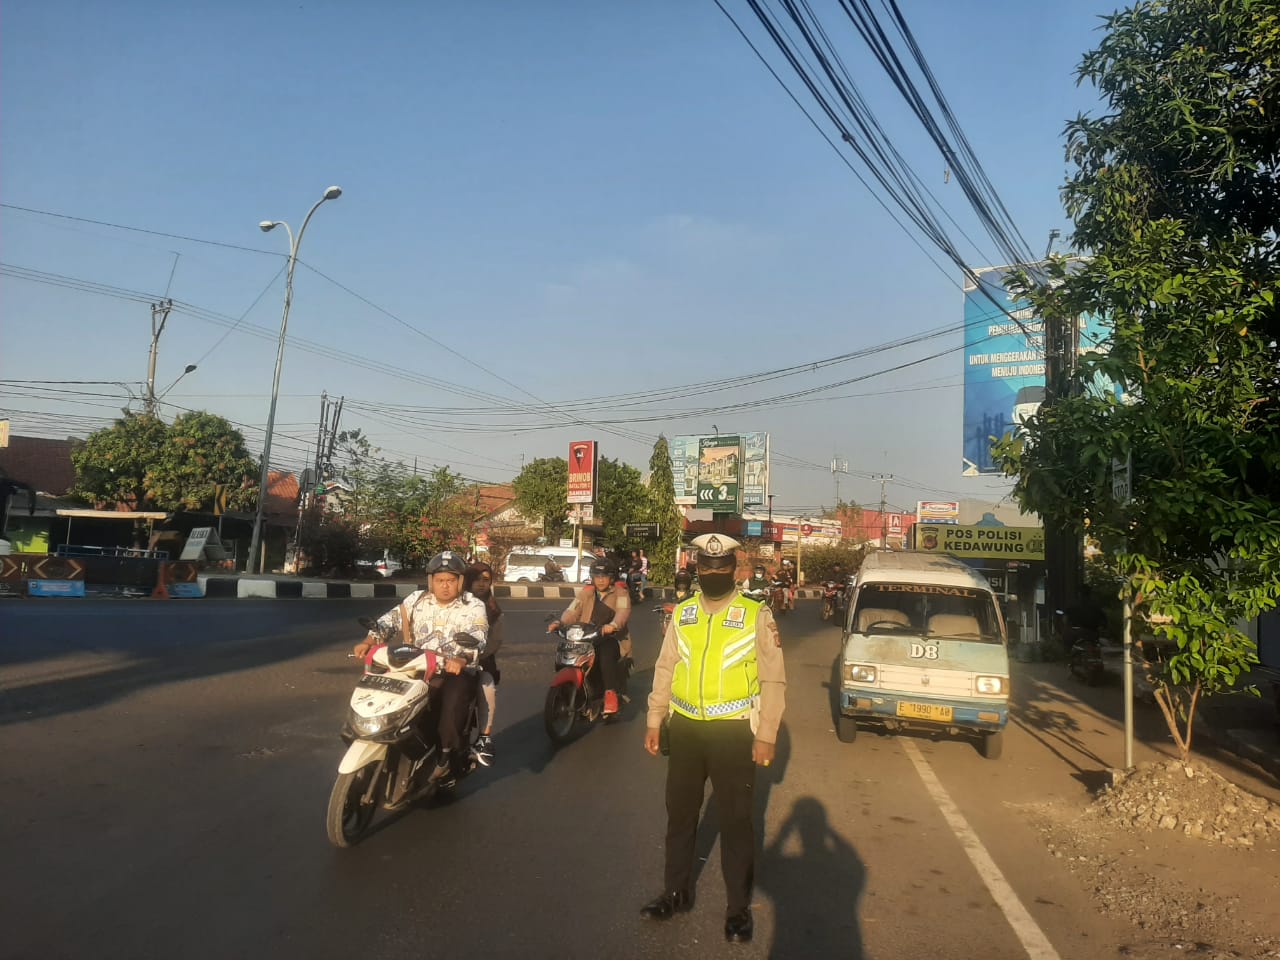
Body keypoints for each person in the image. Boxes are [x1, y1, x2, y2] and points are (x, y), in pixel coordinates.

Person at [641, 534, 786, 945]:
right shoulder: (683, 613)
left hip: (734, 731)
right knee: (680, 816)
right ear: (697, 570)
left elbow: (773, 678)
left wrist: (767, 734)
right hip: (686, 728)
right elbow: (666, 667)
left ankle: (738, 910)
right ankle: (675, 893)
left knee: (736, 822)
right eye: (706, 567)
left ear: (734, 570)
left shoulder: (756, 614)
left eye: (721, 568)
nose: (713, 574)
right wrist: (655, 719)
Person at [352, 550, 489, 781]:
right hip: (414, 665)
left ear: (460, 582)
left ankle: (445, 756)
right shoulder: (416, 600)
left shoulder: (473, 605)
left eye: (450, 580)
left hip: (453, 669)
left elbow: (479, 634)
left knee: (453, 702)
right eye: (440, 580)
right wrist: (368, 642)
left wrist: (462, 658)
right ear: (431, 581)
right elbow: (390, 620)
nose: (445, 586)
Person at [548, 557, 631, 716]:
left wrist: (613, 625)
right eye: (597, 576)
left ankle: (610, 693)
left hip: (612, 638)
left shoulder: (620, 593)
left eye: (604, 576)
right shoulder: (586, 592)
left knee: (605, 653)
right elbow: (573, 610)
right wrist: (560, 622)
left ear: (611, 578)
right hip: (586, 637)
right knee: (567, 652)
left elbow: (623, 612)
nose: (600, 580)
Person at [464, 562, 503, 766]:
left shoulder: (493, 609)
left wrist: (474, 657)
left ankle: (484, 737)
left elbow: (495, 641)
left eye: (486, 580)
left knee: (487, 685)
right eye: (477, 579)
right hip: (448, 658)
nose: (481, 584)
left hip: (481, 660)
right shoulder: (456, 603)